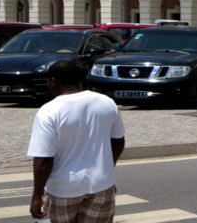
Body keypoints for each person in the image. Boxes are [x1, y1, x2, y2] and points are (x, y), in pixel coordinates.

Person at [27, 59, 126, 223]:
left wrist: (37, 195)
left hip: (63, 189)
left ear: (53, 81)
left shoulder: (49, 111)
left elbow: (43, 159)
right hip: (102, 184)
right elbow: (118, 141)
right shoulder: (106, 103)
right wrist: (107, 169)